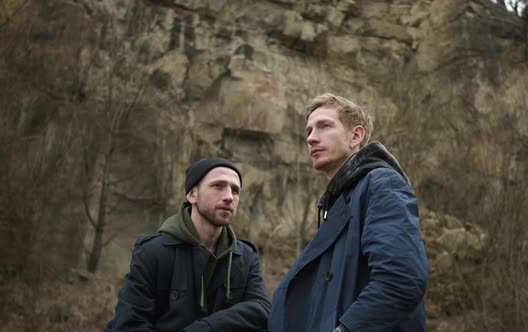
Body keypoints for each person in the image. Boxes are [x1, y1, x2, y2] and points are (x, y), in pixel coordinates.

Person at [268, 93, 428, 332]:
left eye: (325, 126)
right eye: (309, 130)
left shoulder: (381, 184)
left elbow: (402, 279)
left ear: (356, 136)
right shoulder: (337, 202)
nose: (311, 138)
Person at [105, 158, 271, 332]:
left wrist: (205, 328)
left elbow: (261, 309)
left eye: (235, 190)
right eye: (218, 186)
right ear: (192, 195)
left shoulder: (246, 257)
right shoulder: (153, 252)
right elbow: (129, 324)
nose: (229, 197)